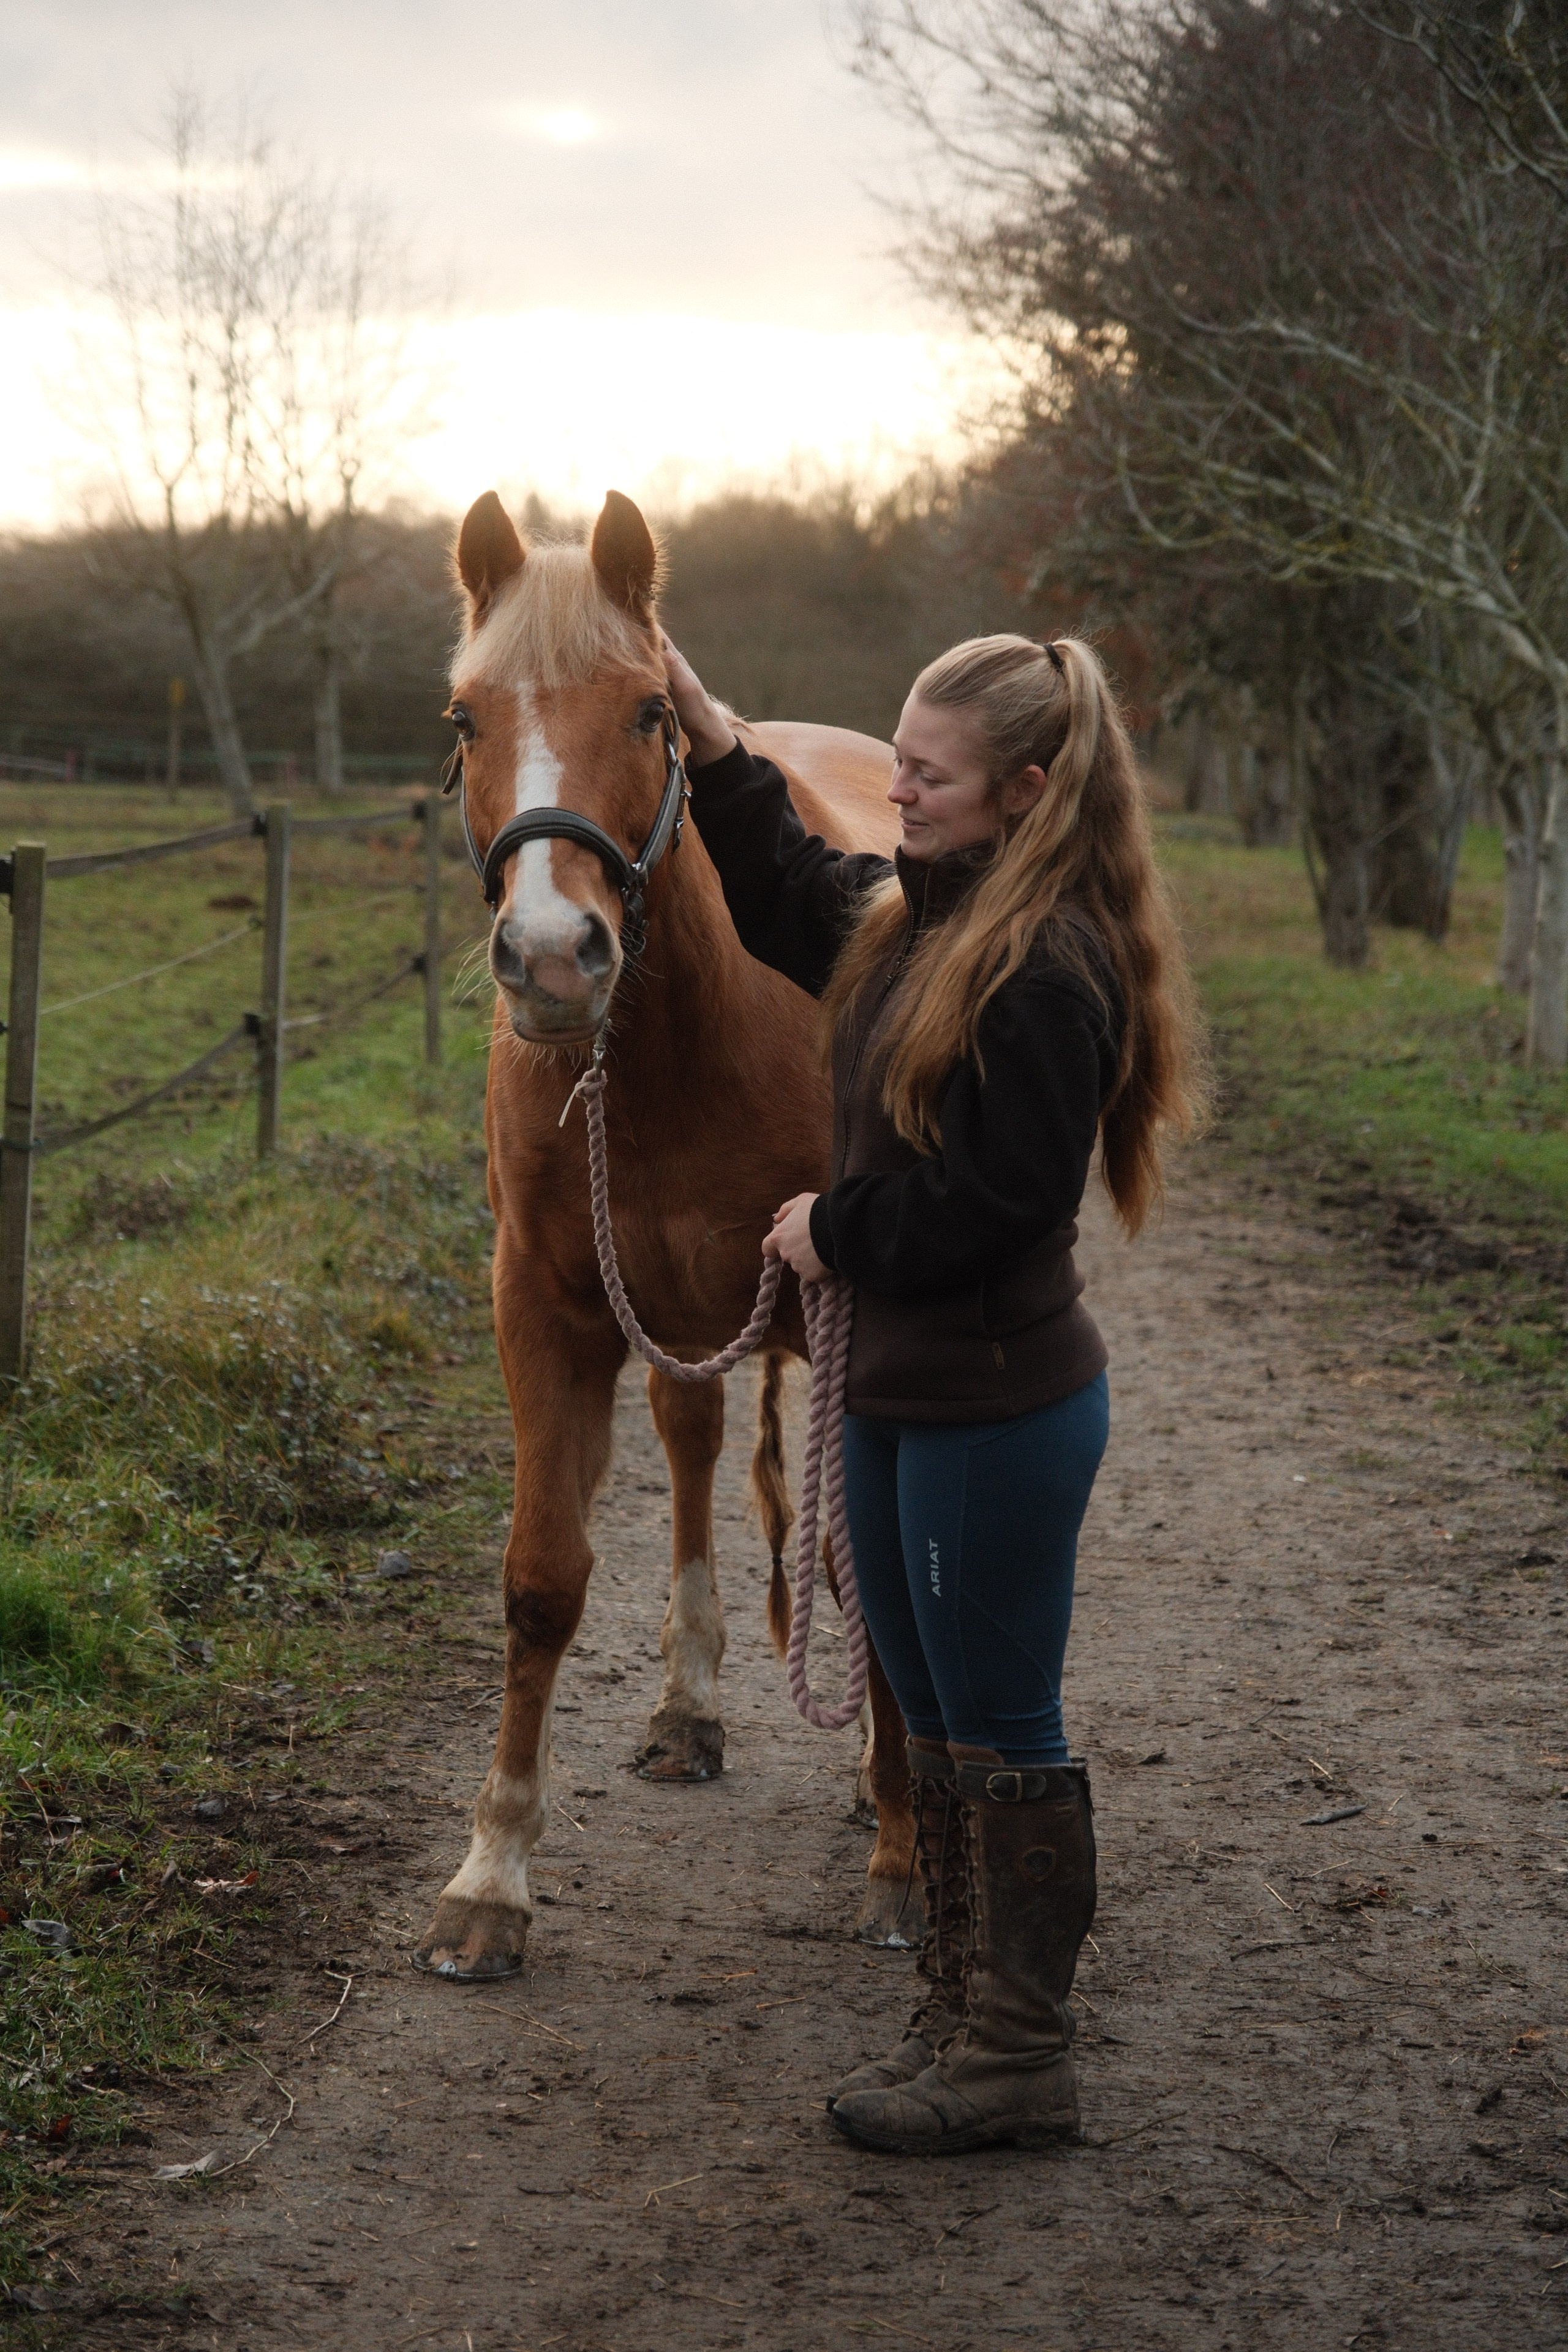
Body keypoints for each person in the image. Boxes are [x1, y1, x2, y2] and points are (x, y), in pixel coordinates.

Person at [664, 630, 1205, 2156]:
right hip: (902, 1401)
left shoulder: (1044, 970)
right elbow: (786, 889)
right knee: (935, 1730)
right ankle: (966, 2008)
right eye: (894, 758)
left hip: (991, 1409)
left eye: (926, 773)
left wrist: (826, 1228)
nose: (890, 789)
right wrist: (710, 730)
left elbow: (1000, 1203)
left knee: (998, 1725)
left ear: (1024, 790)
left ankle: (1021, 2049)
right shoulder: (920, 916)